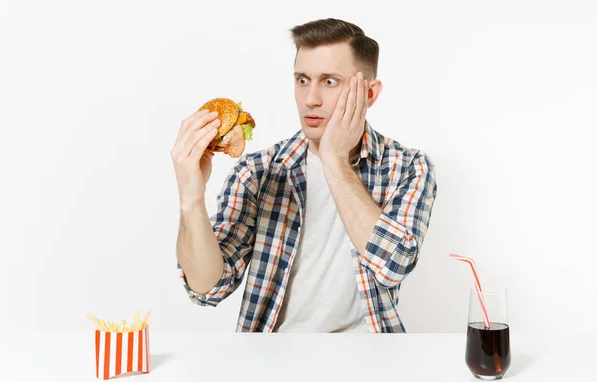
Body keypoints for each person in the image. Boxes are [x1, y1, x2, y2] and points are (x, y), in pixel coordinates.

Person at [170, 18, 437, 333]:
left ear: (369, 94)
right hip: (274, 361)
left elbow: (393, 266)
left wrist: (334, 159)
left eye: (329, 81)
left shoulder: (408, 167)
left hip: (370, 359)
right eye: (302, 80)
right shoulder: (257, 172)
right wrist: (191, 198)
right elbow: (207, 289)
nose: (311, 99)